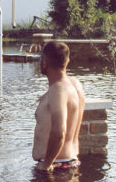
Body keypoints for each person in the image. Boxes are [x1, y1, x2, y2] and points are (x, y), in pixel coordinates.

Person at [33, 41, 85, 173]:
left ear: (44, 62)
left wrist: (47, 165)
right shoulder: (74, 85)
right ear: (67, 61)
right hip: (69, 162)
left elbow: (58, 131)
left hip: (55, 167)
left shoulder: (58, 90)